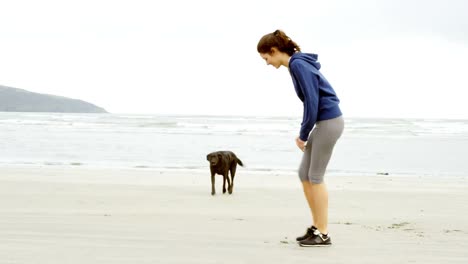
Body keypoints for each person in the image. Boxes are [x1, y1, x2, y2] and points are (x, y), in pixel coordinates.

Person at [257, 29, 344, 247]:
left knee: (315, 177)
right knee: (303, 173)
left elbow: (312, 101)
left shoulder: (297, 65)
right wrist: (305, 131)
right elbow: (311, 102)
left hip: (328, 122)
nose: (266, 63)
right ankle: (316, 226)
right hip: (324, 122)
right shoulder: (296, 65)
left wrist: (303, 134)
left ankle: (323, 233)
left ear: (274, 51)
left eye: (266, 58)